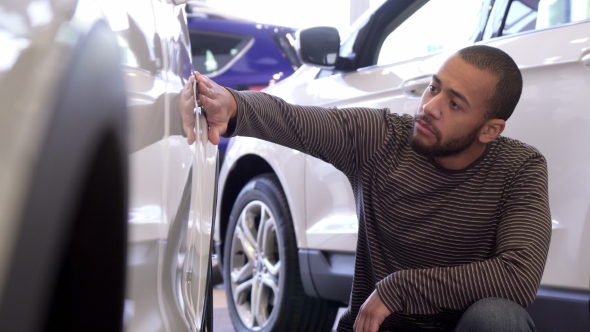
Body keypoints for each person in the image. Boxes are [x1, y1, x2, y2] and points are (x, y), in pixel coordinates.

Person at [179, 45, 551, 332]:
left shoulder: (520, 169)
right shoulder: (382, 139)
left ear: (489, 129)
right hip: (375, 328)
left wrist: (399, 288)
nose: (431, 106)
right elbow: (295, 120)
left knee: (498, 318)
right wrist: (232, 104)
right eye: (433, 88)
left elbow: (517, 277)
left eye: (454, 104)